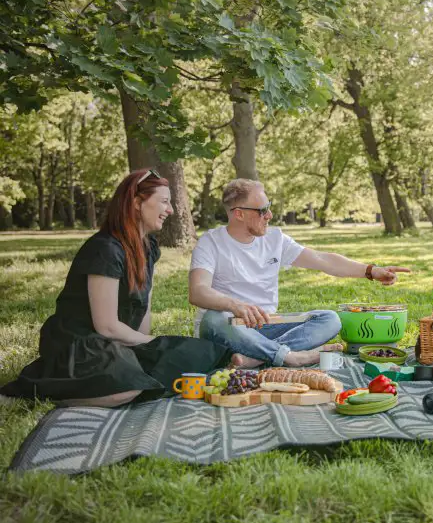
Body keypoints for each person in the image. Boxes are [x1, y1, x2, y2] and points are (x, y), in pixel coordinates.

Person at [0, 169, 253, 407]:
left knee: (201, 355)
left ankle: (136, 376)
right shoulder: (105, 249)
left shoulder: (149, 247)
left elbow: (143, 311)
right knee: (128, 389)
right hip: (82, 344)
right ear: (135, 202)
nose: (171, 209)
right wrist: (154, 343)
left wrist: (152, 350)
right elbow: (106, 326)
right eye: (164, 201)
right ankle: (40, 394)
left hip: (120, 342)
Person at [189, 178, 410, 367]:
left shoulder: (275, 239)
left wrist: (371, 271)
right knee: (213, 318)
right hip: (230, 329)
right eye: (262, 210)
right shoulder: (211, 242)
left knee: (330, 319)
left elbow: (323, 260)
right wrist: (235, 306)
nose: (270, 215)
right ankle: (290, 357)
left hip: (266, 327)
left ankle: (255, 359)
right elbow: (198, 291)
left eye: (269, 206)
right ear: (239, 214)